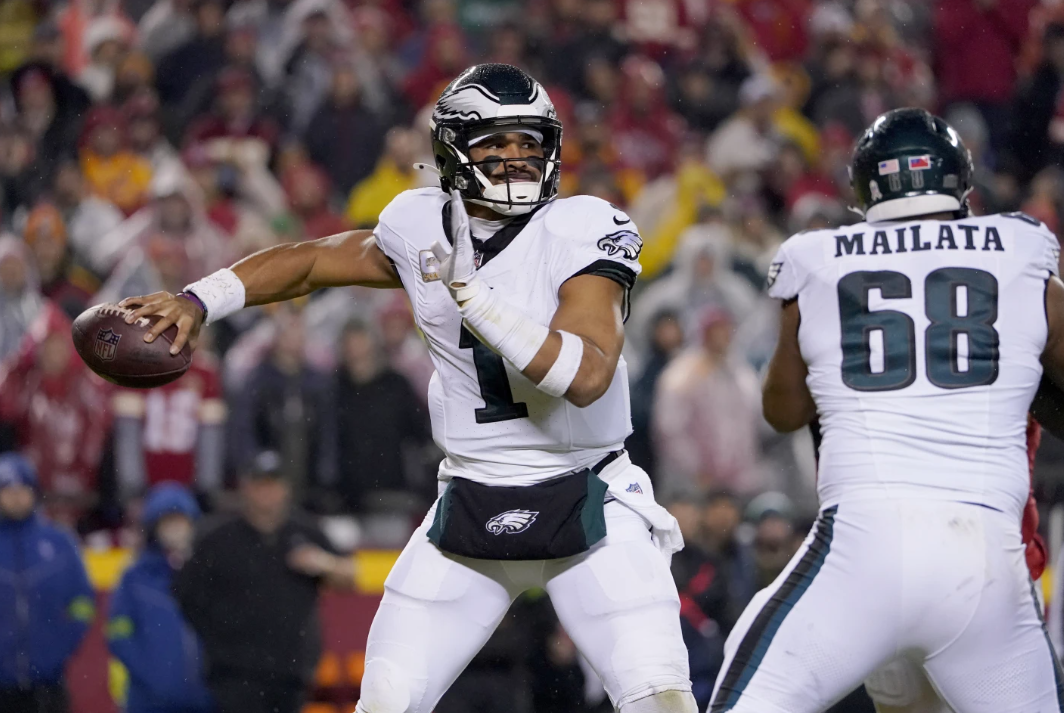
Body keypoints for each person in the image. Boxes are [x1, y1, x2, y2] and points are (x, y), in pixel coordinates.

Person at [123, 63, 695, 713]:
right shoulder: (420, 224)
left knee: (660, 701)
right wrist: (201, 298)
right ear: (452, 150)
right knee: (386, 701)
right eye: (495, 143)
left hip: (590, 496)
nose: (516, 158)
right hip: (472, 501)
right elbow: (312, 259)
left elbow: (587, 375)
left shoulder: (584, 225)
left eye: (529, 142)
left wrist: (478, 302)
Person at [709, 107, 1064, 712]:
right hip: (983, 559)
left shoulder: (817, 259)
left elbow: (784, 410)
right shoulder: (1021, 248)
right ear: (958, 180)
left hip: (861, 547)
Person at [173, 451, 354, 713]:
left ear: (286, 488)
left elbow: (349, 577)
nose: (267, 493)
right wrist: (218, 635)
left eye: (273, 484)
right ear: (246, 488)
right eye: (260, 484)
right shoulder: (219, 538)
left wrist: (323, 563)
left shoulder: (304, 531)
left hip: (290, 670)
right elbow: (185, 594)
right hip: (233, 672)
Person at [106, 482, 213, 713]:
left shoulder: (209, 574)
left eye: (181, 521)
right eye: (168, 521)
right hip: (149, 702)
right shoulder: (135, 578)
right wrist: (154, 677)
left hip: (204, 701)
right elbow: (119, 635)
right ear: (154, 527)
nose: (176, 529)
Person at [0, 452, 95, 713]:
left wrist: (60, 648)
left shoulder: (59, 542)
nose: (16, 496)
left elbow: (82, 601)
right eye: (7, 489)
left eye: (23, 488)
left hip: (48, 684)